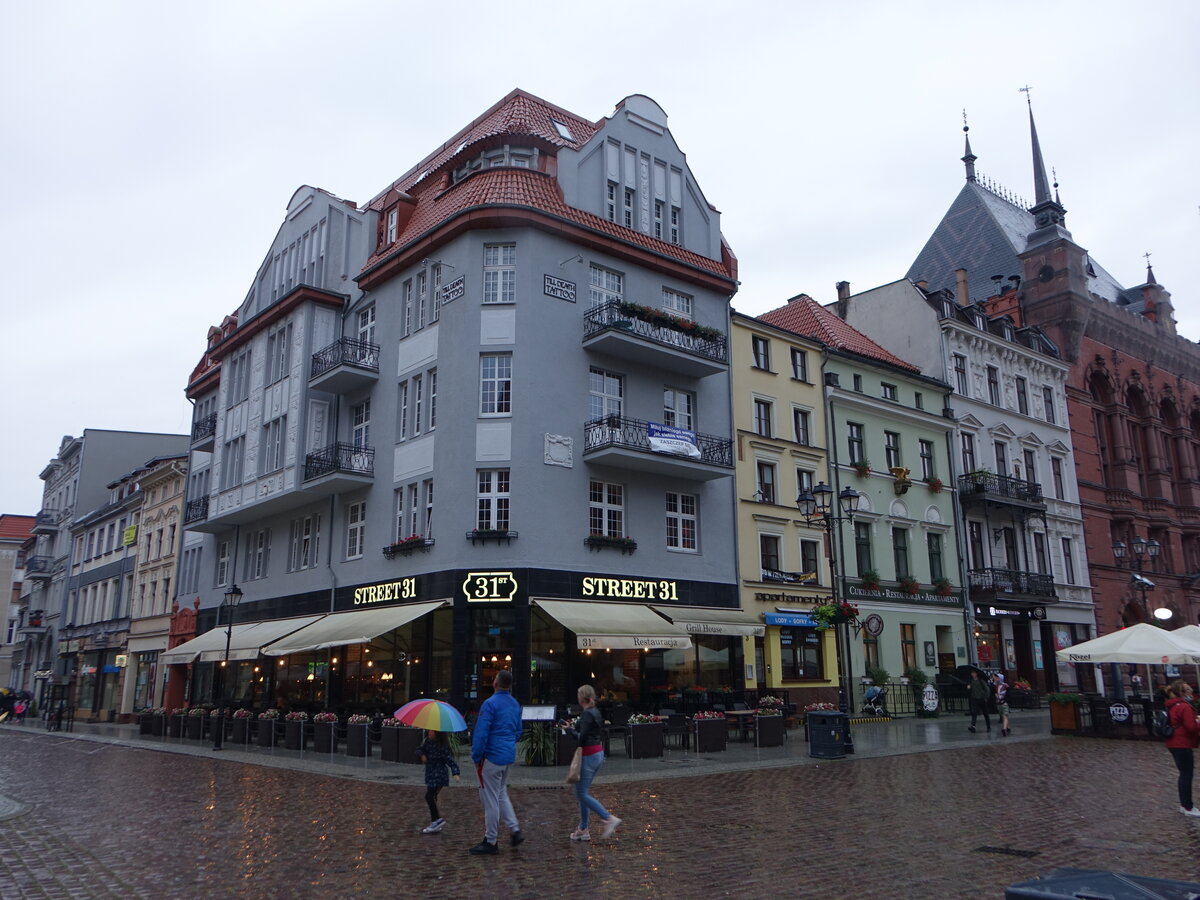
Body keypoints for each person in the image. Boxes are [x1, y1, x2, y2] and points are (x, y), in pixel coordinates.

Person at [469, 669, 524, 854]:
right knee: (501, 794)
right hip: (508, 755)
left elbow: (481, 733)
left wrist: (477, 756)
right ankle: (514, 829)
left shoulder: (489, 704)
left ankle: (491, 841)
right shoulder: (515, 704)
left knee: (490, 799)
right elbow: (518, 731)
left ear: (495, 683)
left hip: (491, 756)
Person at [563, 684, 621, 842]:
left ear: (582, 697)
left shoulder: (588, 714)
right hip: (597, 753)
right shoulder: (594, 712)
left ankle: (608, 818)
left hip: (588, 754)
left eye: (578, 695)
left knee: (581, 793)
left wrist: (571, 732)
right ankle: (583, 829)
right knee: (583, 793)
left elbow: (582, 737)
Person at [1163, 680, 1200, 817]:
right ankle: (1188, 807)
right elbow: (1191, 727)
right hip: (1182, 743)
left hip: (1174, 743)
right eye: (1189, 690)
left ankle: (1184, 805)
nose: (1191, 693)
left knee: (1183, 774)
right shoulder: (1184, 706)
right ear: (1182, 693)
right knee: (1186, 774)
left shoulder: (1172, 705)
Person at [418, 729, 461, 834]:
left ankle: (436, 820)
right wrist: (422, 755)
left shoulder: (442, 746)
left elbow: (450, 760)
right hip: (431, 774)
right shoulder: (428, 742)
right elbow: (420, 749)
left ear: (437, 733)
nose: (429, 732)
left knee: (429, 796)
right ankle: (436, 821)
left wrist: (455, 773)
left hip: (439, 775)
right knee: (432, 797)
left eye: (432, 731)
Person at [967, 669, 991, 733]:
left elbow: (987, 689)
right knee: (974, 713)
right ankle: (973, 726)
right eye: (972, 673)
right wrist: (969, 688)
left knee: (985, 713)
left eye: (974, 673)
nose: (973, 674)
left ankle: (988, 727)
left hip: (982, 699)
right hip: (975, 699)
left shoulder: (980, 680)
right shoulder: (971, 681)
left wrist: (986, 697)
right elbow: (970, 691)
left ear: (976, 674)